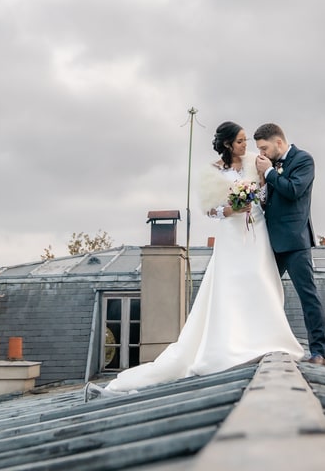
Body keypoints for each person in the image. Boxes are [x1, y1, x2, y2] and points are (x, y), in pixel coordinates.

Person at [104, 121, 304, 393]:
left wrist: (256, 197)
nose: (246, 146)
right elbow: (210, 210)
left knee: (261, 279)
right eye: (241, 141)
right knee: (231, 285)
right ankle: (229, 344)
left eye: (247, 140)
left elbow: (267, 192)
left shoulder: (255, 163)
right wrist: (231, 209)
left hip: (257, 231)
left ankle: (267, 337)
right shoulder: (212, 172)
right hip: (231, 233)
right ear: (227, 145)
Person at [253, 122, 325, 365]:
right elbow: (267, 203)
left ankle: (318, 352)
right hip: (270, 242)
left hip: (295, 241)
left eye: (264, 148)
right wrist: (262, 183)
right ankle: (261, 346)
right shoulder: (271, 166)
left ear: (278, 142)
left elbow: (294, 190)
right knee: (262, 295)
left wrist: (270, 173)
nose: (261, 153)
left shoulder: (304, 160)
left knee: (307, 296)